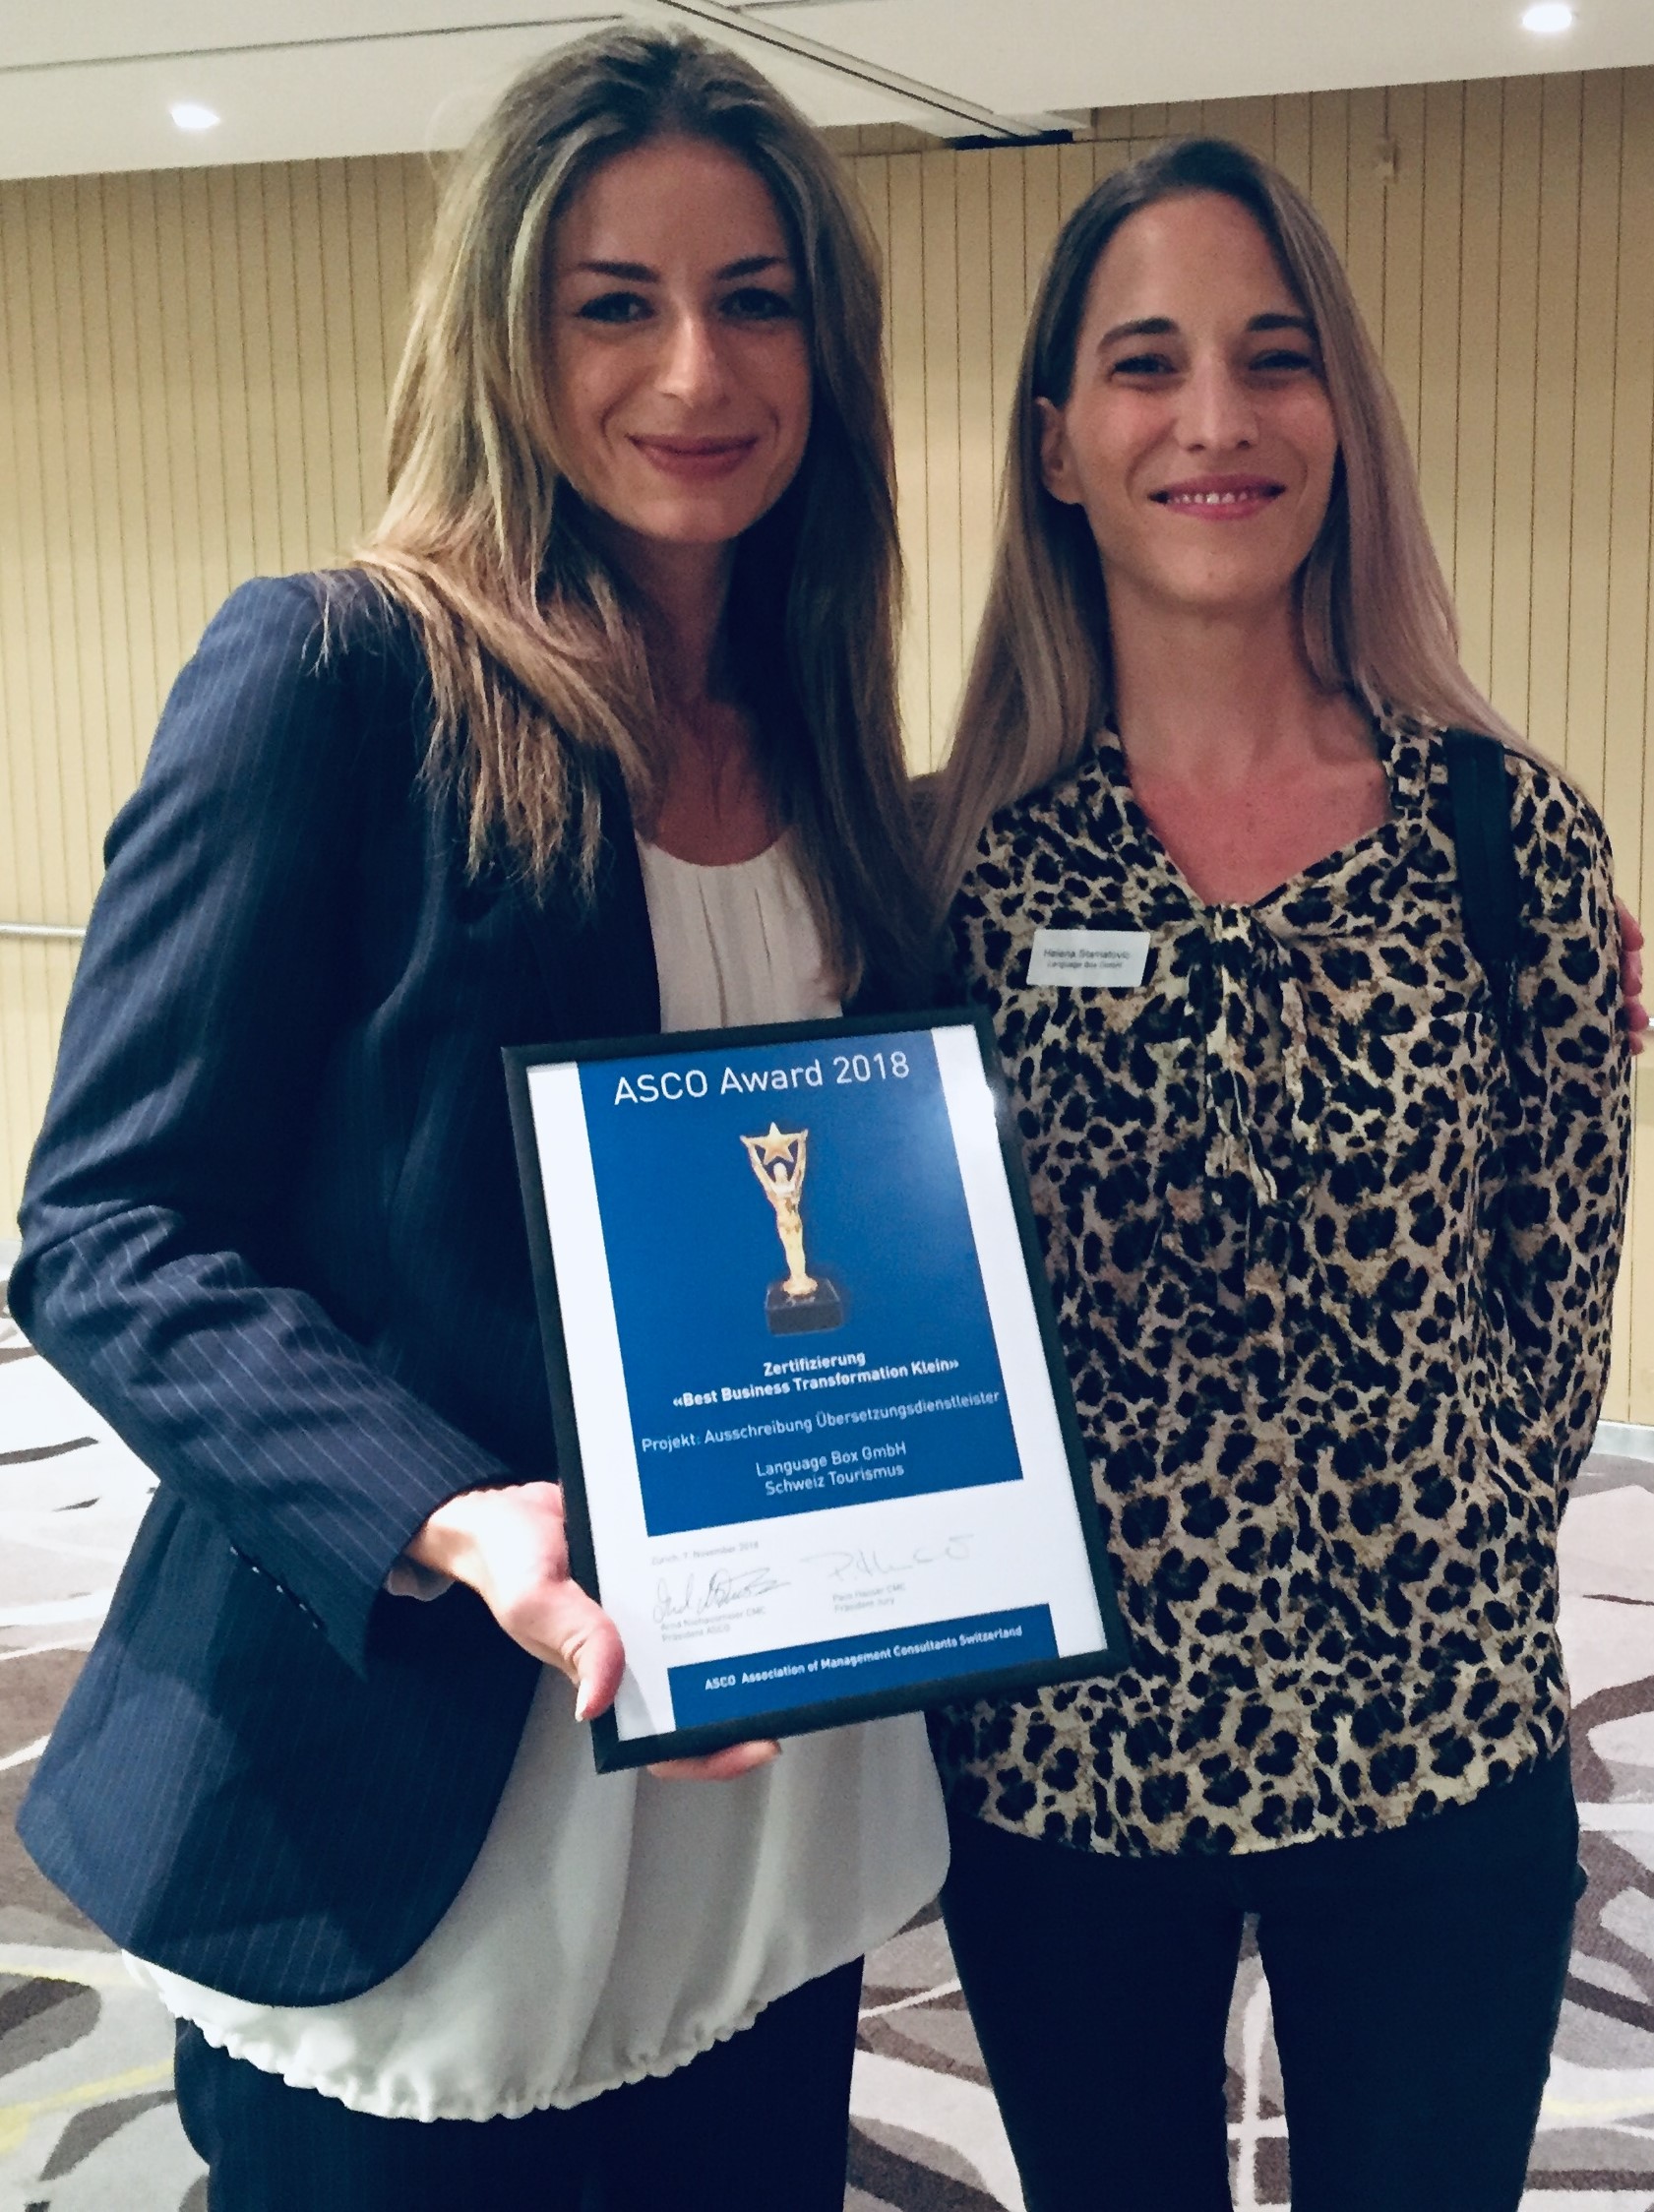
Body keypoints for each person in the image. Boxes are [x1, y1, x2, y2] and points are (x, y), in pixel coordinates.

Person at [9, 28, 949, 2209]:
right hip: (430, 1776)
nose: (694, 371)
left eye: (754, 299)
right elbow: (107, 1232)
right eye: (613, 303)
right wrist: (447, 1513)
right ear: (502, 337)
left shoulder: (825, 741)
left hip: (759, 1782)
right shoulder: (336, 676)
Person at [925, 137, 1635, 2212]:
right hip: (1062, 1760)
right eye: (1144, 364)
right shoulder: (949, 863)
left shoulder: (1506, 841)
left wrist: (1438, 1544)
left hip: (1438, 1750)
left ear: (1342, 417)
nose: (1214, 419)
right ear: (1056, 445)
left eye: (1273, 356)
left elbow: (1556, 1291)